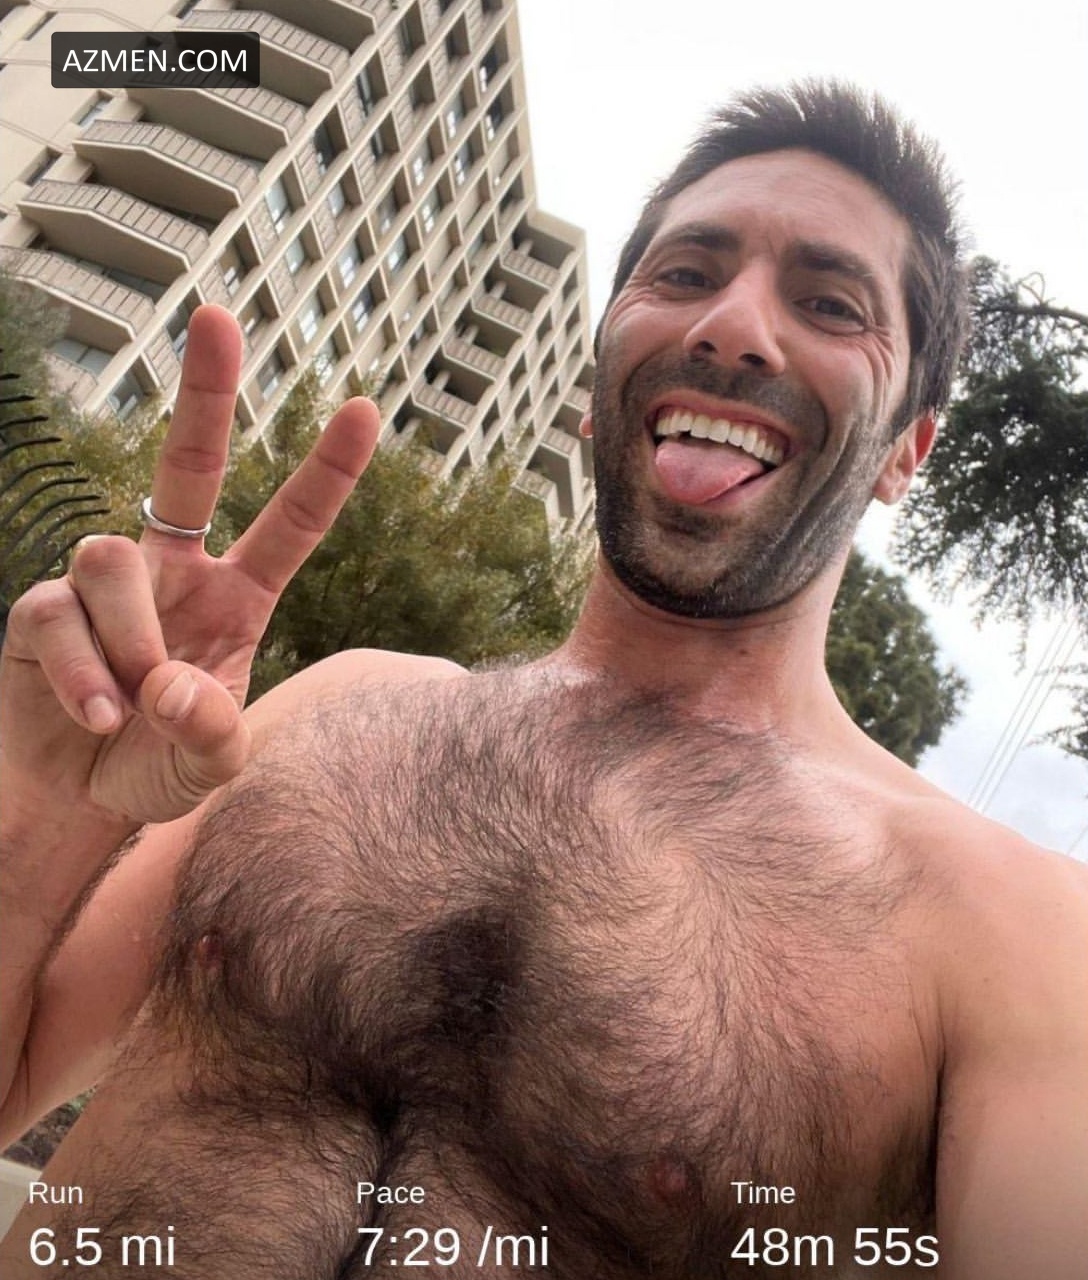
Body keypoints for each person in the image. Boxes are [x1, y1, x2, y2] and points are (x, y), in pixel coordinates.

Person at [0, 80, 1085, 1279]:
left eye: (828, 302)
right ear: (594, 378)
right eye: (683, 273)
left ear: (904, 449)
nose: (731, 326)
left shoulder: (1014, 937)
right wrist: (48, 804)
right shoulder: (332, 709)